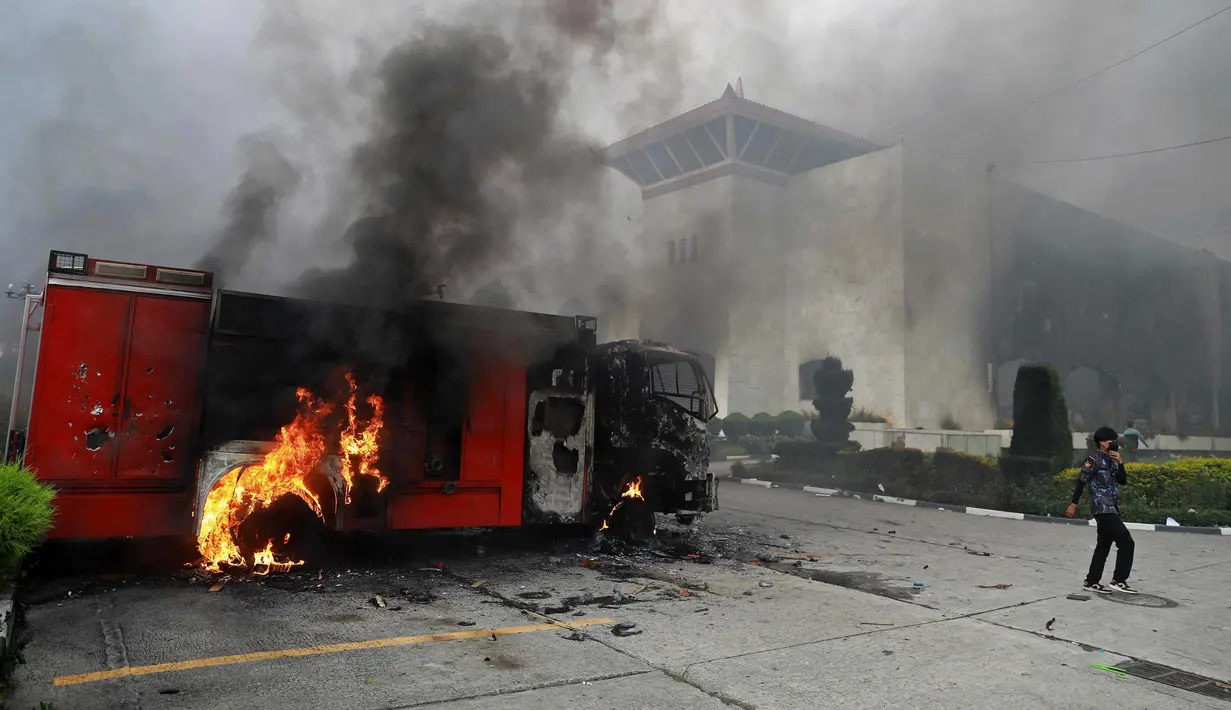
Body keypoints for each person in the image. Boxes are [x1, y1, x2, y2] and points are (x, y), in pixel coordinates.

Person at [1066, 426, 1137, 594]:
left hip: (1112, 507)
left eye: (1114, 440)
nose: (1113, 442)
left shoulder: (1112, 461)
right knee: (1127, 542)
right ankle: (1119, 580)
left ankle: (1091, 581)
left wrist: (1120, 462)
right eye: (1109, 440)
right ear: (1101, 442)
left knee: (1103, 545)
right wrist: (1073, 503)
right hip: (1101, 508)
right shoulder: (1092, 460)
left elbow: (1123, 480)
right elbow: (1081, 482)